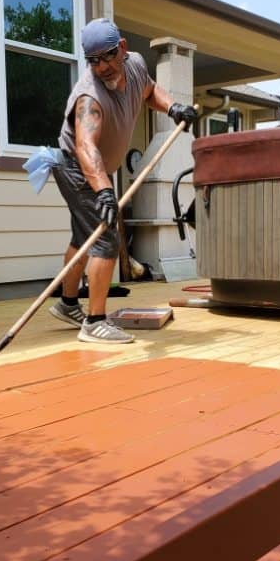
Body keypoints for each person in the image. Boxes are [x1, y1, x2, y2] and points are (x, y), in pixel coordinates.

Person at [47, 18, 196, 344]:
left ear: (123, 49)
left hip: (95, 167)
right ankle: (94, 321)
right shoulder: (89, 97)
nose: (102, 67)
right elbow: (86, 147)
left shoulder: (136, 66)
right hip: (76, 166)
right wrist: (103, 192)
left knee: (83, 236)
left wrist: (173, 108)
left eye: (108, 56)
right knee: (106, 238)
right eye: (93, 60)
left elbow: (149, 90)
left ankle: (68, 303)